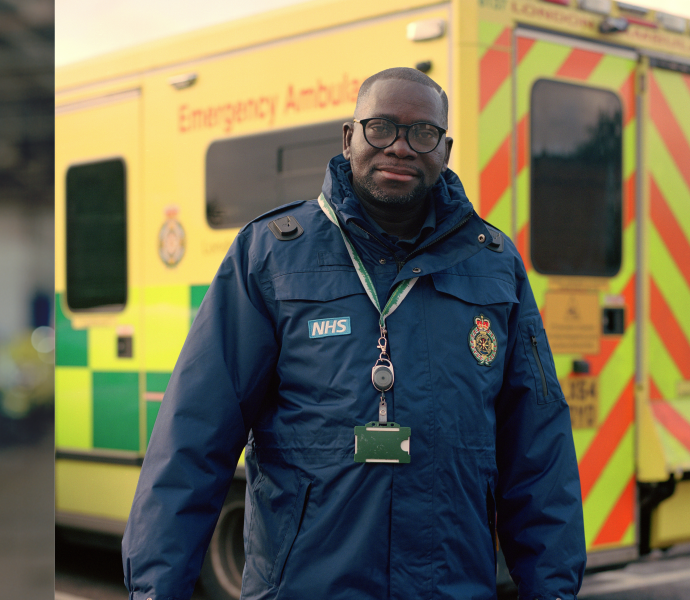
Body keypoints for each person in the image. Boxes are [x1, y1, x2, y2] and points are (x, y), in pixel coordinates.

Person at [122, 67, 585, 599]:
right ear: (349, 138)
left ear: (445, 149)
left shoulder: (495, 267)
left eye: (423, 133)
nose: (401, 147)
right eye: (381, 127)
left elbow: (539, 453)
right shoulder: (270, 256)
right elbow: (192, 441)